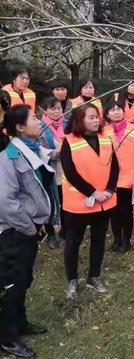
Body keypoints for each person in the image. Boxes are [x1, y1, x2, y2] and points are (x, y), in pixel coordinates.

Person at [0, 105, 58, 359]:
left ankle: (20, 322)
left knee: (24, 279)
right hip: (16, 232)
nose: (38, 120)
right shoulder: (9, 158)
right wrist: (28, 227)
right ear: (19, 127)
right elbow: (6, 202)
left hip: (30, 229)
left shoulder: (33, 151)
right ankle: (7, 337)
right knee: (13, 283)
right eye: (34, 118)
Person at [60, 104, 119, 300]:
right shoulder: (69, 141)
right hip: (79, 203)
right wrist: (93, 192)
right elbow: (70, 173)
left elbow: (115, 167)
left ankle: (94, 276)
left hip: (104, 202)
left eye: (97, 117)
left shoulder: (105, 139)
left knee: (98, 240)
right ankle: (72, 281)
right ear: (80, 120)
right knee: (73, 242)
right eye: (91, 117)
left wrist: (110, 189)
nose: (96, 120)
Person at [104, 98, 134, 253]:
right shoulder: (104, 131)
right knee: (113, 210)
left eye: (119, 109)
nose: (116, 112)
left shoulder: (133, 129)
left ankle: (126, 240)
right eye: (112, 110)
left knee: (126, 209)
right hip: (110, 176)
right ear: (107, 114)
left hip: (129, 175)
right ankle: (117, 238)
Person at [39, 96, 67, 249]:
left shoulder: (67, 124)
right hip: (49, 170)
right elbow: (38, 149)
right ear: (45, 110)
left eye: (59, 108)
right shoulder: (40, 127)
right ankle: (51, 234)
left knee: (66, 201)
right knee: (50, 203)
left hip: (65, 170)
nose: (57, 111)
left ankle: (65, 230)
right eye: (52, 108)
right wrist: (56, 153)